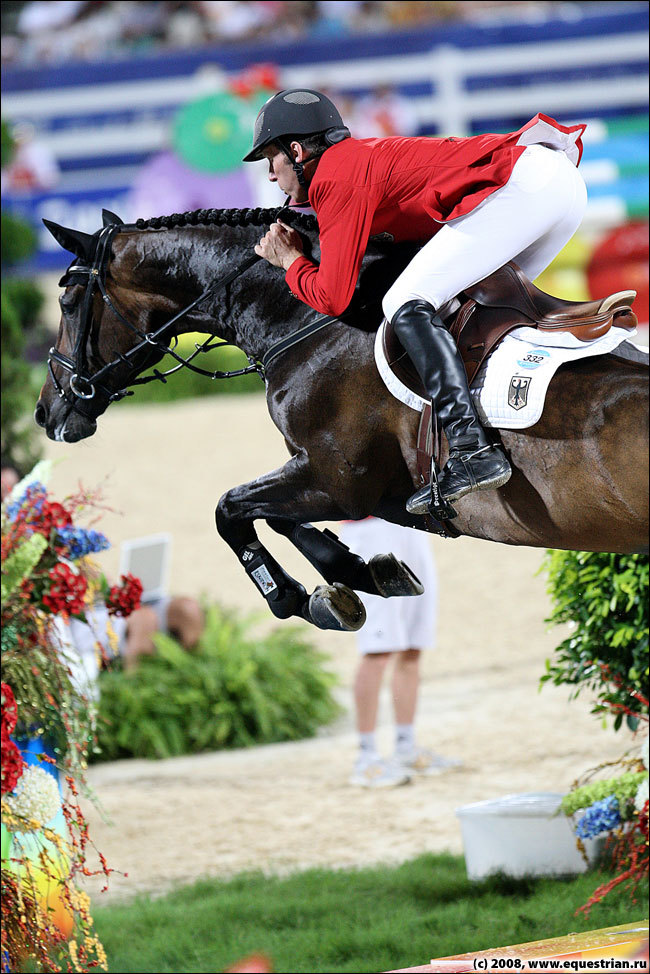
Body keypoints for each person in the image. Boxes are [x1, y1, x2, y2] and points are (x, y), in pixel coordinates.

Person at [243, 89, 588, 514]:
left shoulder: (335, 175)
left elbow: (333, 298)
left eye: (270, 160)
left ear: (295, 150)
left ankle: (472, 450)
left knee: (405, 300)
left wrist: (291, 261)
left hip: (527, 183)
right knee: (468, 307)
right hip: (559, 185)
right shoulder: (353, 162)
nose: (272, 176)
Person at [340, 517, 459, 788]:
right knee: (378, 649)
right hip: (370, 529)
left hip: (410, 522)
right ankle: (366, 757)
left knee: (413, 645)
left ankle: (406, 747)